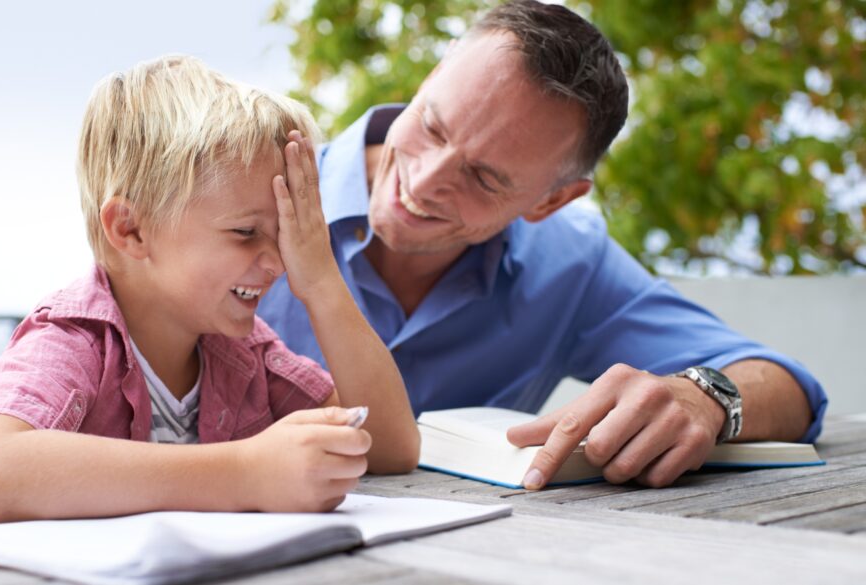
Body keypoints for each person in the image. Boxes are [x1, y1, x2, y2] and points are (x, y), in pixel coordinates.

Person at [257, 0, 827, 490]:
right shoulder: (244, 201)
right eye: (432, 125)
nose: (425, 181)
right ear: (428, 80)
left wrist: (704, 397)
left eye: (485, 178)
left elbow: (788, 386)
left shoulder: (572, 264)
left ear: (550, 201)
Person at [0, 55, 419, 523]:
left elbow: (391, 447)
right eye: (245, 232)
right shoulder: (77, 340)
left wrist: (323, 281)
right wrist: (245, 473)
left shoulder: (247, 355)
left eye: (285, 236)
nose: (278, 262)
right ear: (131, 230)